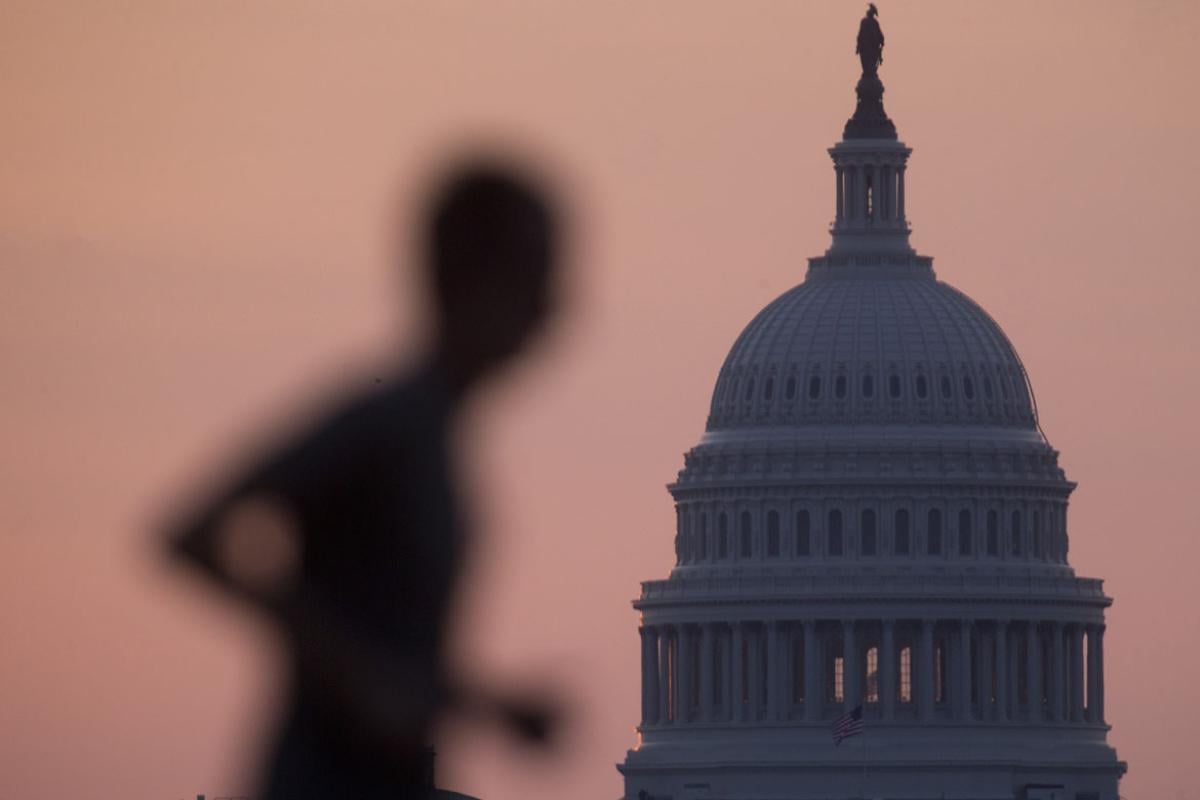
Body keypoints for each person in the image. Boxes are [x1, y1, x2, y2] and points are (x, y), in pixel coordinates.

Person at [162, 162, 563, 799]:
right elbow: (190, 533)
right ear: (473, 280)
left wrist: (490, 706)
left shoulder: (436, 432)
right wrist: (351, 674)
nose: (555, 310)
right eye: (540, 278)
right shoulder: (389, 421)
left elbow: (396, 652)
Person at [856, 3, 885, 76]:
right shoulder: (864, 21)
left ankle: (871, 72)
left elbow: (880, 34)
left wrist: (882, 41)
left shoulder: (875, 23)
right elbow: (860, 34)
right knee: (866, 60)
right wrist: (858, 45)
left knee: (873, 61)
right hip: (865, 47)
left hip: (874, 47)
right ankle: (868, 73)